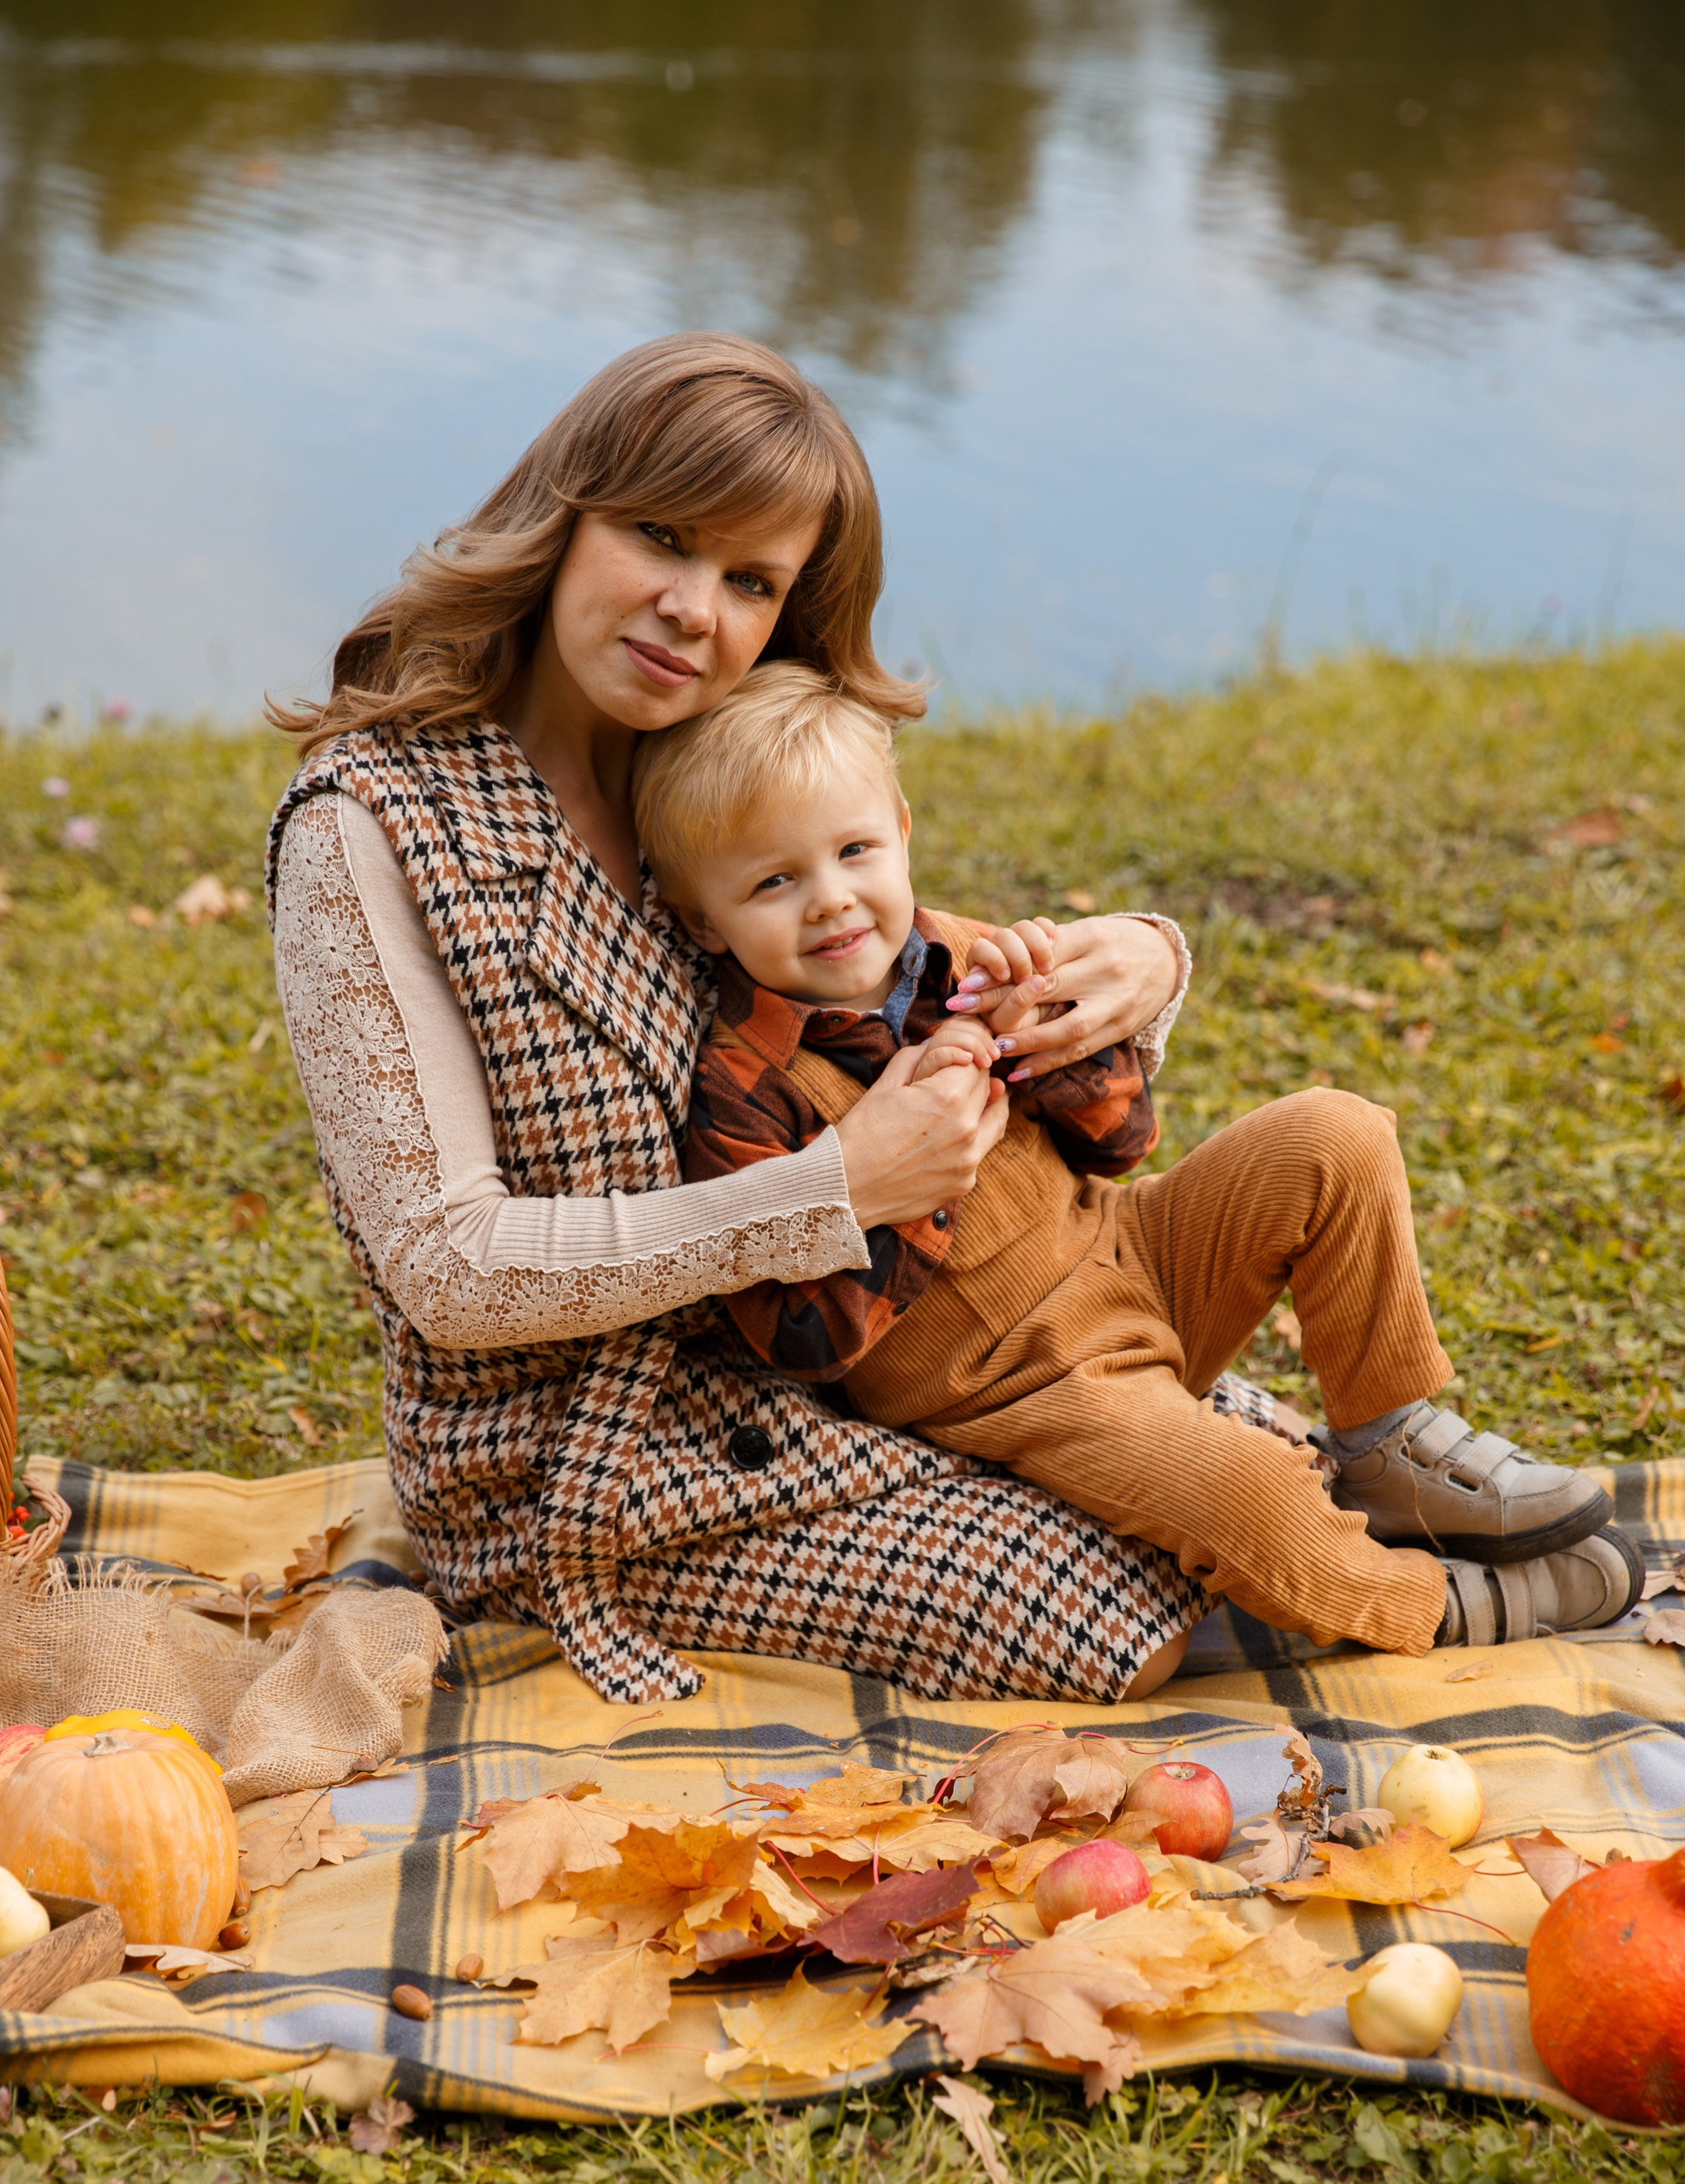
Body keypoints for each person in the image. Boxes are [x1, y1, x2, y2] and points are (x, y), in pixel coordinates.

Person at [265, 332, 1205, 1708]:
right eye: (662, 537)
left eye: (750, 580)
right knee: (1111, 1608)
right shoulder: (368, 831)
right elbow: (449, 1270)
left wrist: (1138, 961)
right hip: (580, 1468)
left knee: (1259, 1482)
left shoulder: (691, 765)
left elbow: (889, 968)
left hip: (846, 1363)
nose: (693, 610)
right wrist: (834, 1190)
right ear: (563, 512)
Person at [641, 662, 1639, 1653]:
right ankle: (1425, 1601)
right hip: (1023, 1383)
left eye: (854, 850)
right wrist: (909, 1173)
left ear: (901, 829)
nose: (831, 901)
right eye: (775, 881)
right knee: (1251, 1491)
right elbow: (809, 1346)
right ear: (700, 916)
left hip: (1137, 1253)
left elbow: (1123, 1145)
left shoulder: (966, 954)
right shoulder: (740, 1085)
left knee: (1333, 1132)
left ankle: (1387, 1437)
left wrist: (1044, 1038)